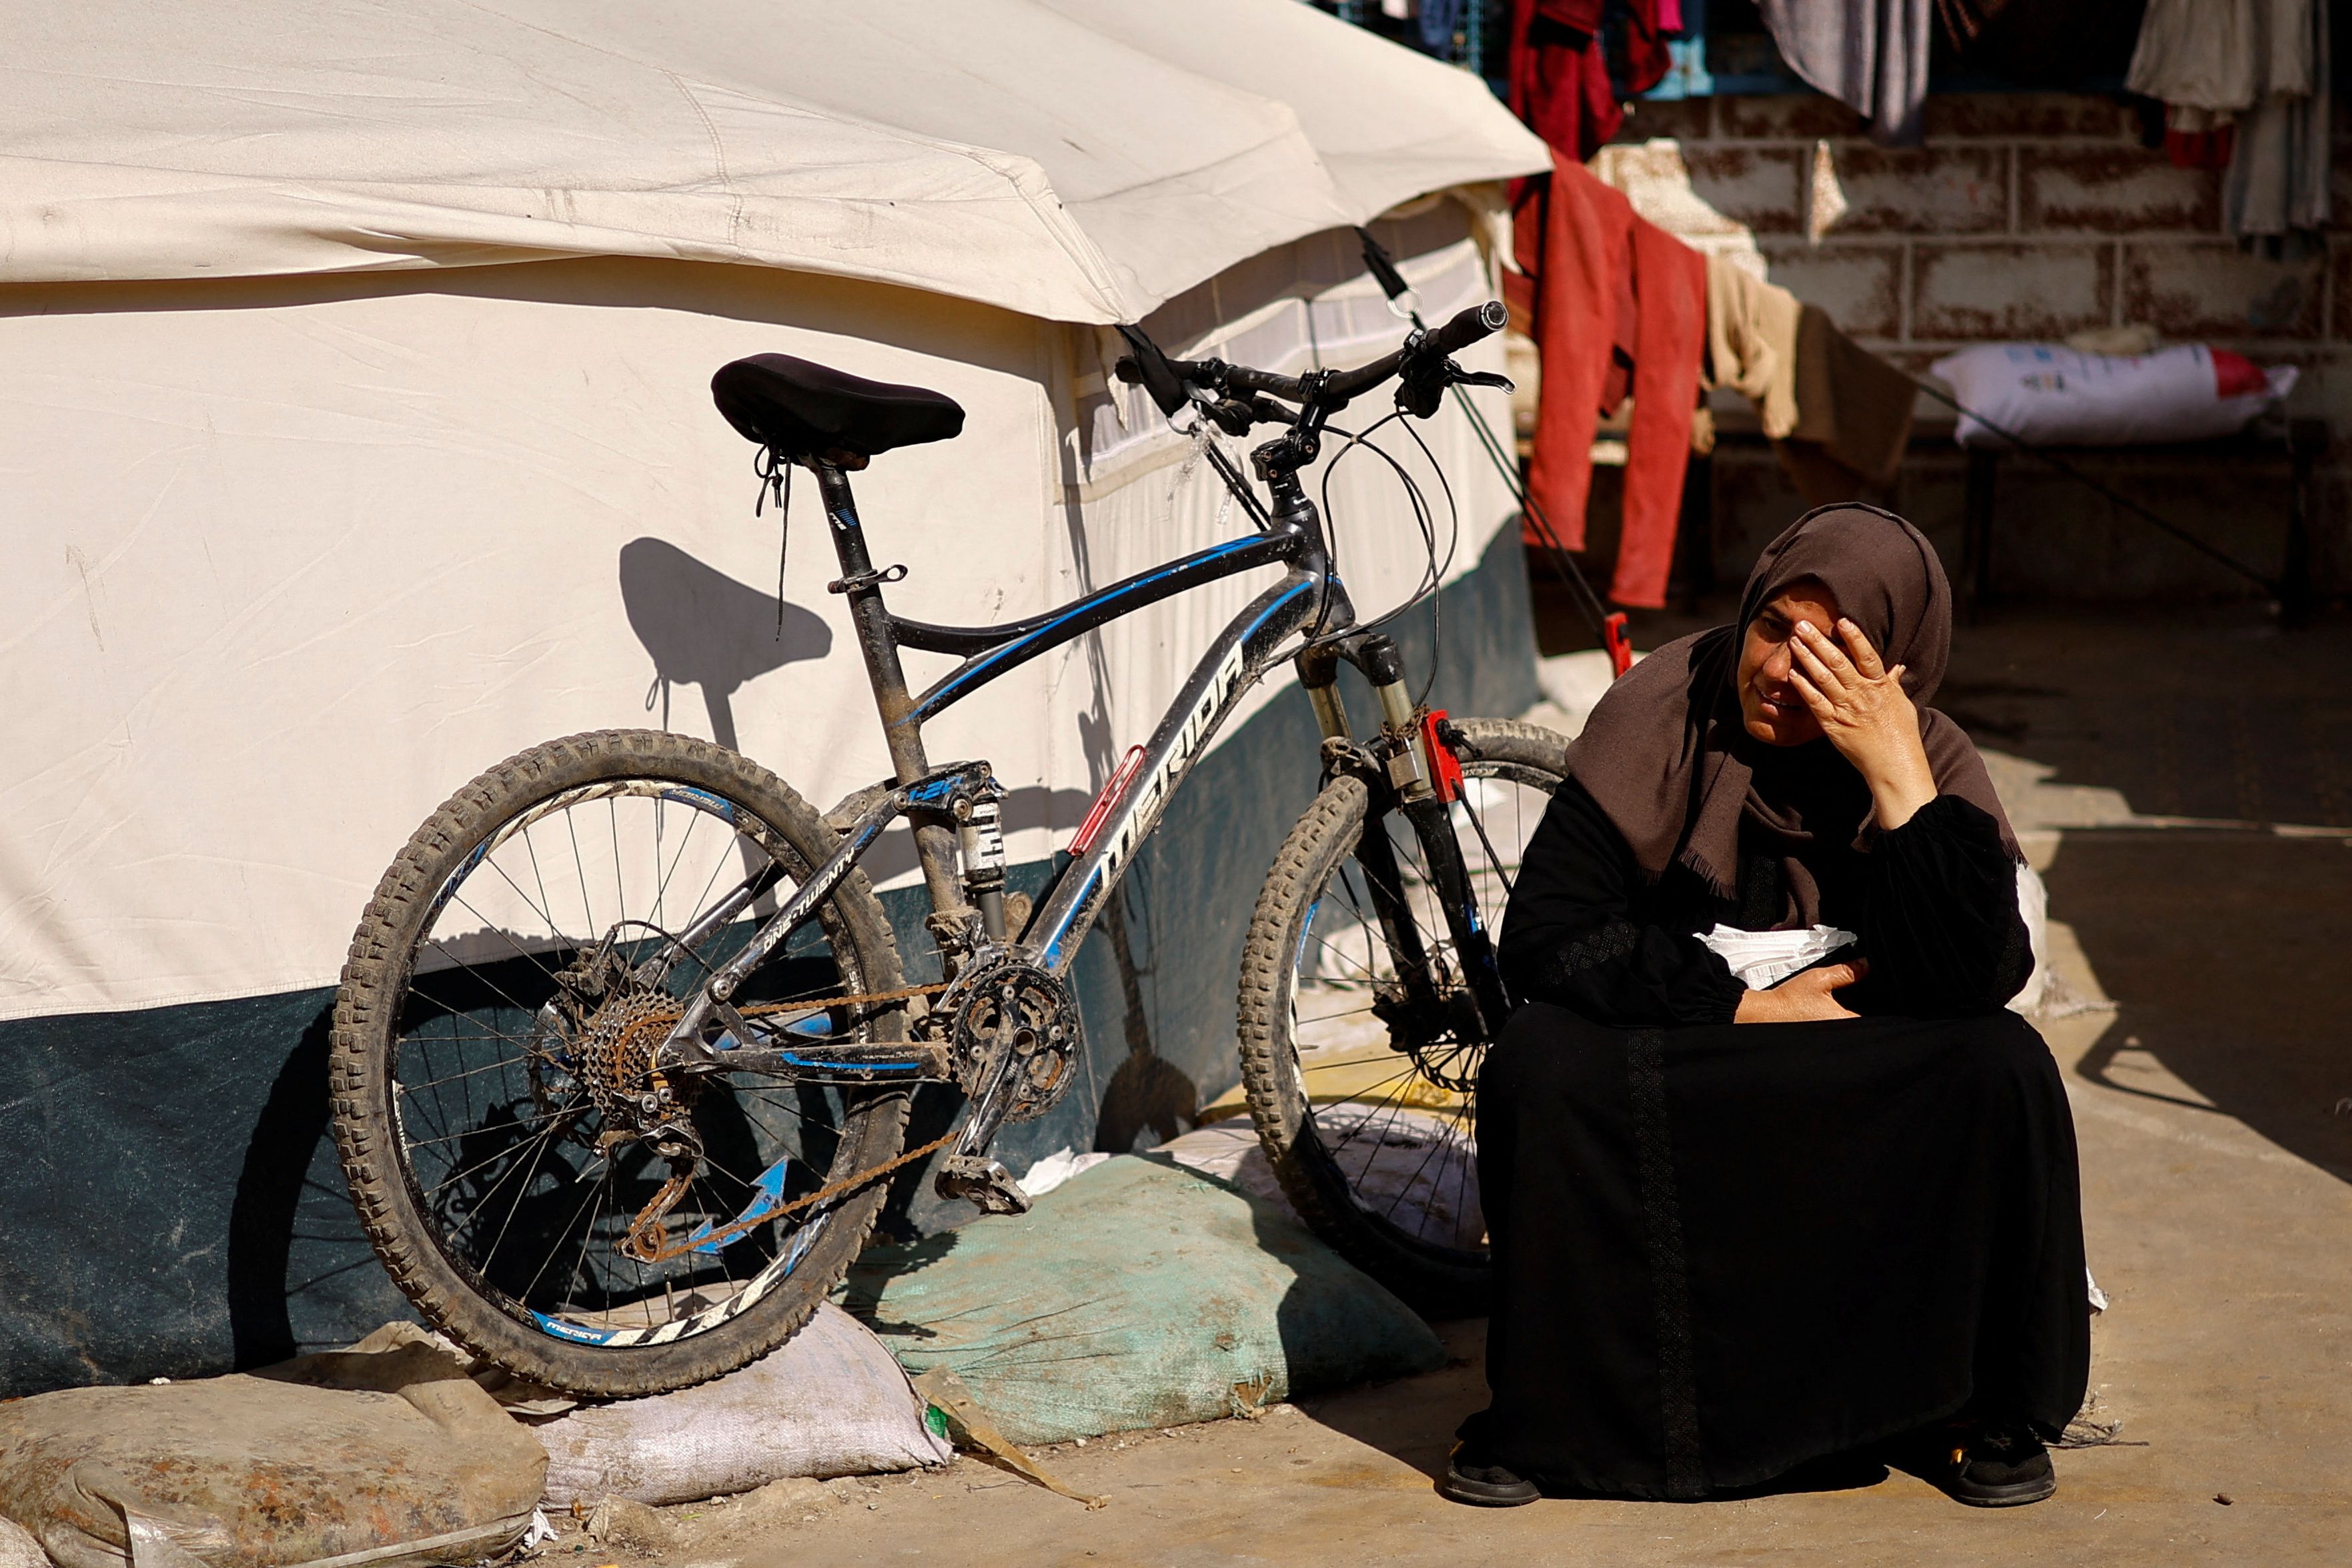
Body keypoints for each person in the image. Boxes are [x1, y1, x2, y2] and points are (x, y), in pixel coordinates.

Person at [1445, 504, 2089, 1510]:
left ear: (1898, 675)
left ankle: (1970, 1406)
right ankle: (1558, 1421)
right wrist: (1740, 1005)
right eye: (1776, 628)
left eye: (1835, 652)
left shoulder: (1930, 759)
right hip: (1701, 1045)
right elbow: (1550, 933)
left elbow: (1975, 977)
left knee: (1998, 1064)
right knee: (1539, 1056)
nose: (1785, 669)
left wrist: (1895, 779)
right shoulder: (1660, 713)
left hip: (1850, 1056)